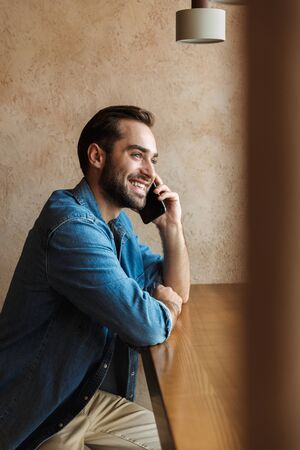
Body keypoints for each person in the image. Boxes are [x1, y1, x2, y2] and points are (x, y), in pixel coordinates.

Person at [0, 105, 190, 450]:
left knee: (181, 441)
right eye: (137, 155)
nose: (149, 172)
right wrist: (166, 309)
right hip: (38, 412)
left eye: (154, 161)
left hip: (85, 400)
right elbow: (146, 325)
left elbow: (176, 290)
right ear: (96, 156)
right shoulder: (71, 228)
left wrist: (171, 226)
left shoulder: (116, 226)